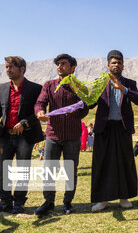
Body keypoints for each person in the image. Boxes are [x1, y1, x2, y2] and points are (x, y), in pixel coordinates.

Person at [34, 53, 89, 215]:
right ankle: (49, 202)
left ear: (73, 67)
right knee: (49, 170)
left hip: (73, 136)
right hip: (53, 135)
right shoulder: (49, 85)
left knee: (70, 170)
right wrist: (40, 112)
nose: (59, 66)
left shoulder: (80, 87)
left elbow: (85, 108)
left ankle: (67, 203)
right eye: (58, 64)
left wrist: (74, 115)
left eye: (63, 63)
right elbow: (40, 102)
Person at [90, 50, 138, 212]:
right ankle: (103, 200)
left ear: (123, 65)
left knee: (124, 162)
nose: (117, 65)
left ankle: (124, 198)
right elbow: (91, 103)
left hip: (122, 128)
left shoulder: (129, 82)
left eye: (119, 62)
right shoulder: (100, 82)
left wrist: (124, 89)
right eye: (113, 62)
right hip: (104, 128)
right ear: (108, 65)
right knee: (102, 163)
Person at [0, 56, 43, 214]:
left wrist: (25, 123)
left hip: (25, 137)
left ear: (22, 69)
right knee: (3, 170)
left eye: (11, 67)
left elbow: (38, 112)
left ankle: (19, 202)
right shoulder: (2, 88)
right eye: (6, 67)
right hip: (4, 136)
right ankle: (4, 201)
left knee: (22, 170)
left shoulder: (35, 88)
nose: (8, 70)